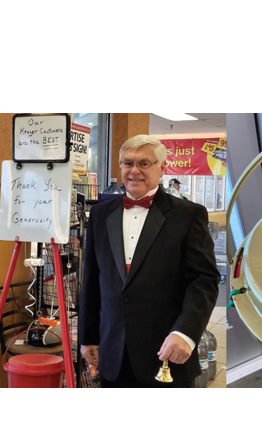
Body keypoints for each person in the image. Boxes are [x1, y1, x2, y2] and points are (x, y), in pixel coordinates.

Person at [80, 135, 221, 387]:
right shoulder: (100, 214)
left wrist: (186, 333)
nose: (134, 171)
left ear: (162, 168)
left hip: (167, 351)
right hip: (112, 353)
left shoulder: (188, 215)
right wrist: (87, 336)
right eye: (127, 163)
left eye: (144, 163)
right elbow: (92, 280)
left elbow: (203, 280)